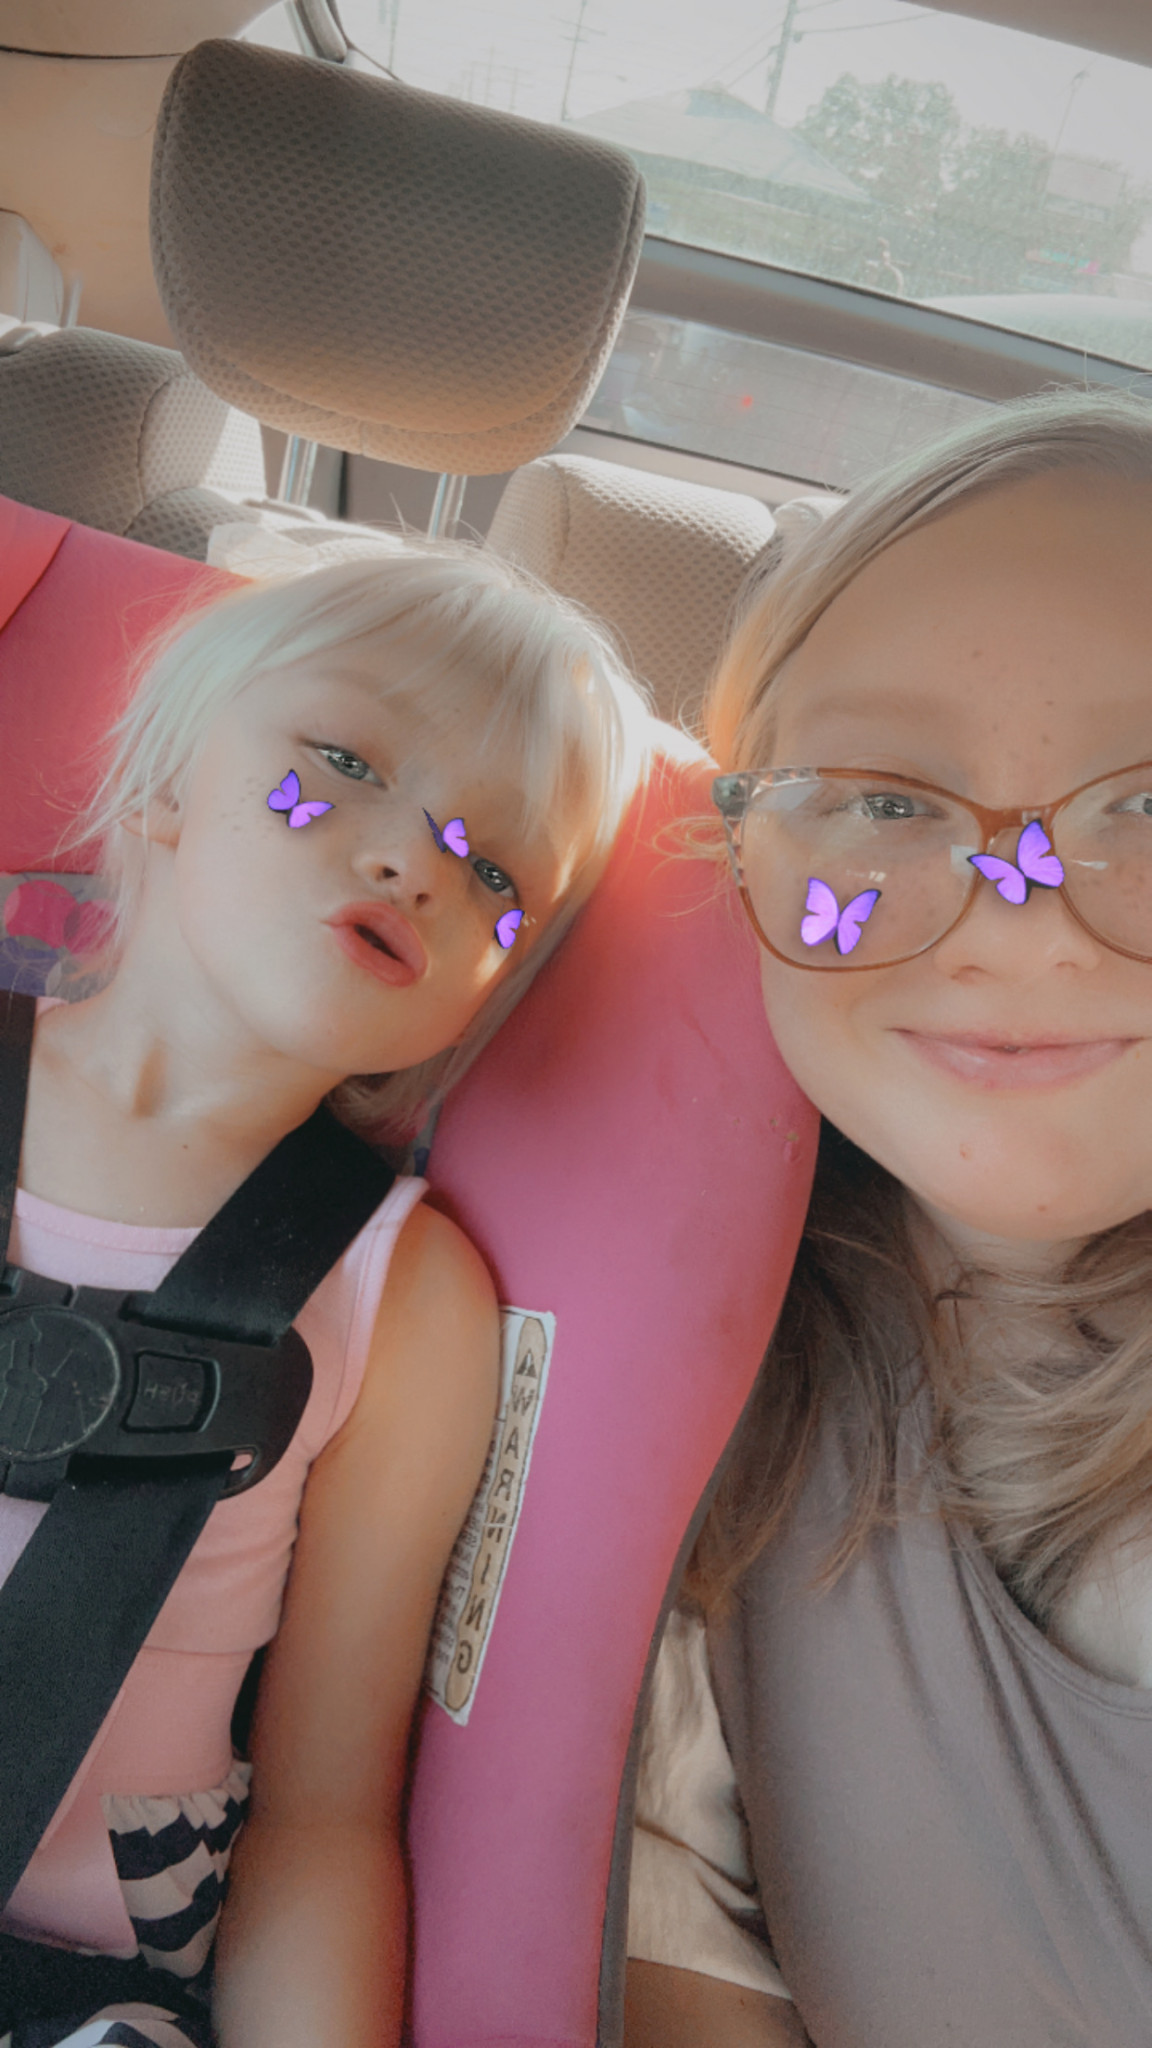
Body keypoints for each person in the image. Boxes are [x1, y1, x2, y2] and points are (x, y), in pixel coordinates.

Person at [0, 545, 648, 2048]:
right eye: (345, 764)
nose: (417, 861)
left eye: (496, 871)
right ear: (165, 788)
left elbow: (323, 1819)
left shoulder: (403, 1302)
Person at [624, 389, 1152, 2048]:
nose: (1020, 926)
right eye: (887, 799)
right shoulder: (668, 1364)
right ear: (734, 849)